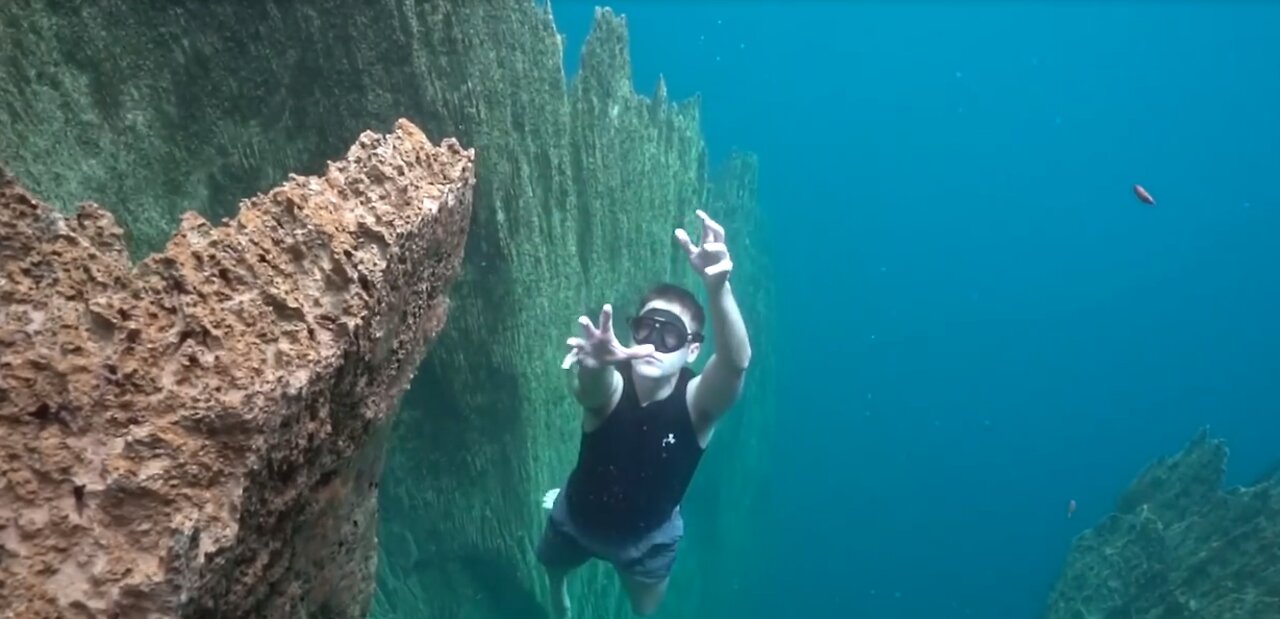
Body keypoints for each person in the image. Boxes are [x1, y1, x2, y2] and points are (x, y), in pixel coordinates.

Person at [536, 209, 753, 617]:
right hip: (576, 515)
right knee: (551, 567)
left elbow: (735, 363)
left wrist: (717, 286)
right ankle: (557, 592)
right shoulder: (613, 381)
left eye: (669, 333)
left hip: (646, 540)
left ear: (692, 349)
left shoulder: (696, 402)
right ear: (631, 328)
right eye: (646, 328)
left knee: (644, 612)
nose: (654, 342)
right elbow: (592, 390)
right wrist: (595, 363)